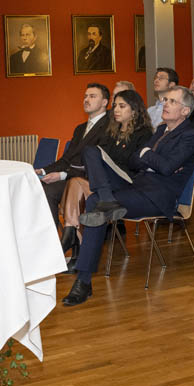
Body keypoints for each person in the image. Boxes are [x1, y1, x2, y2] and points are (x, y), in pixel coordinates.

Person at [63, 86, 194, 305]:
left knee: (93, 201)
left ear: (185, 111)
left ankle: (84, 281)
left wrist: (148, 155)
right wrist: (150, 158)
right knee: (91, 152)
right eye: (166, 100)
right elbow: (134, 160)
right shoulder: (160, 130)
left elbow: (166, 167)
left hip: (157, 196)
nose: (165, 104)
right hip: (137, 184)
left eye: (172, 101)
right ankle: (107, 199)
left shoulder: (191, 136)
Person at [58, 89, 151, 271]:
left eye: (122, 106)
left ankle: (72, 238)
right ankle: (73, 235)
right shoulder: (112, 131)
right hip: (106, 184)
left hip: (126, 183)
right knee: (75, 182)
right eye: (115, 105)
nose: (115, 109)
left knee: (80, 179)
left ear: (134, 110)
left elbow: (133, 164)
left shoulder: (144, 133)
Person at [38, 84, 111, 232]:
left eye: (92, 96)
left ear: (104, 102)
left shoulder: (110, 126)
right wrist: (43, 170)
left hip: (88, 181)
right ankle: (48, 240)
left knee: (48, 191)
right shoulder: (80, 128)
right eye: (85, 96)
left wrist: (62, 175)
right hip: (71, 177)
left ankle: (57, 243)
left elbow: (99, 165)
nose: (86, 100)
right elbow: (66, 160)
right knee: (38, 187)